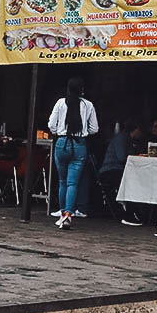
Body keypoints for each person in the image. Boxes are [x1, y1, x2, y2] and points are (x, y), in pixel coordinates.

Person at [48, 77, 99, 229]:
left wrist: (60, 132)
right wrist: (84, 133)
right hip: (79, 144)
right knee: (73, 183)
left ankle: (62, 213)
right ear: (82, 90)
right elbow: (94, 129)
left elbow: (51, 124)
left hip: (62, 143)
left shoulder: (60, 102)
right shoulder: (88, 105)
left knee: (62, 181)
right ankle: (69, 214)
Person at [97, 121, 147, 226]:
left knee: (137, 179)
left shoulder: (128, 139)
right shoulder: (121, 139)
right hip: (110, 170)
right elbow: (121, 157)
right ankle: (129, 213)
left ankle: (136, 211)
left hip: (119, 169)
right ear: (136, 129)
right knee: (130, 182)